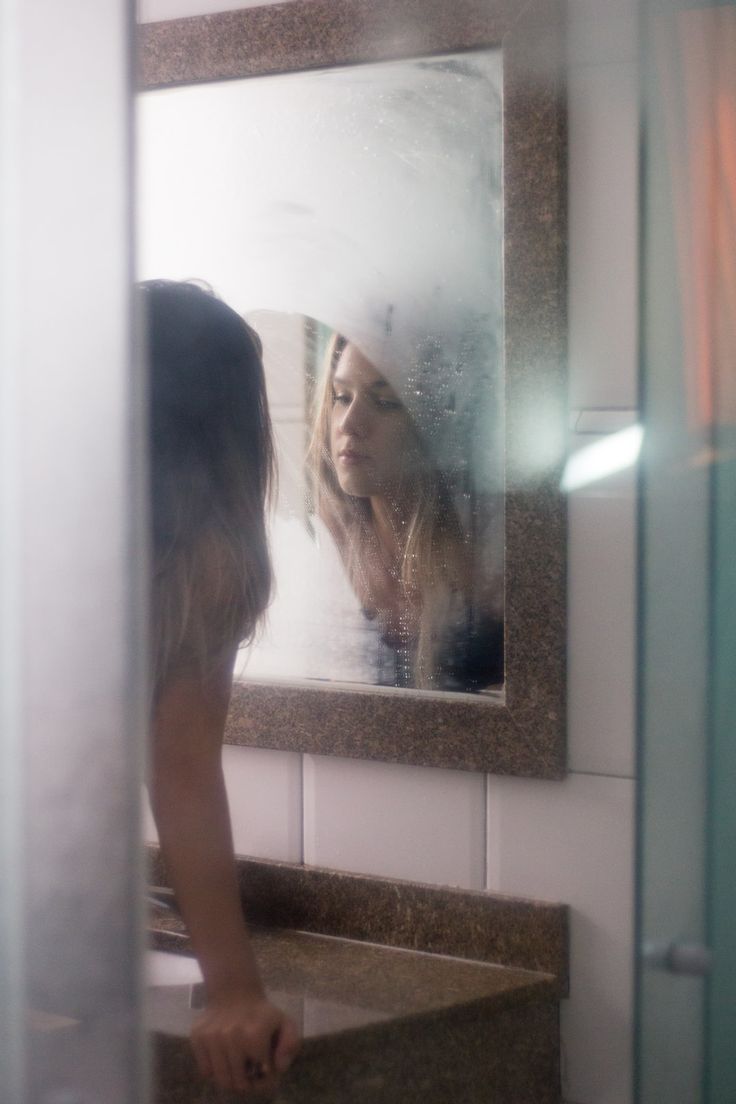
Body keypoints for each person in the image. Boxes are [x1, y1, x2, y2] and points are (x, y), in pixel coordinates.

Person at [141, 280, 300, 1096]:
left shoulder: (198, 563)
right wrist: (234, 990)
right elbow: (183, 773)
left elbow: (181, 769)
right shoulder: (206, 560)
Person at [307, 333, 503, 691]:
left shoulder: (484, 575)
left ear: (432, 424)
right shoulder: (317, 555)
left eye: (385, 402)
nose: (349, 423)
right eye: (341, 397)